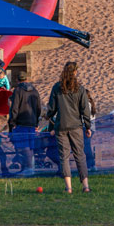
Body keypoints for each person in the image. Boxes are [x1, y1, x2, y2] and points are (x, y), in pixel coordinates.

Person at [46, 61, 92, 193]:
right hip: (76, 126)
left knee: (64, 157)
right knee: (80, 156)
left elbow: (52, 108)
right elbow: (85, 110)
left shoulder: (57, 87)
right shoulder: (80, 89)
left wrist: (48, 116)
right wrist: (87, 126)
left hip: (61, 126)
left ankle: (69, 187)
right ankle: (86, 186)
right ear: (75, 72)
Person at [8, 71, 41, 176]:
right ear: (27, 79)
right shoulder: (35, 91)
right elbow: (38, 108)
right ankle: (29, 168)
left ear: (18, 81)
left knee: (23, 146)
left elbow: (15, 108)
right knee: (29, 146)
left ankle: (28, 168)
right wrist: (36, 121)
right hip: (32, 122)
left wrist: (12, 121)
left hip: (21, 122)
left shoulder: (18, 90)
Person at [84, 89, 96, 171]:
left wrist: (87, 128)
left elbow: (86, 117)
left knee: (86, 147)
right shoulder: (90, 103)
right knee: (87, 146)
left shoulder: (87, 104)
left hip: (88, 127)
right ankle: (91, 165)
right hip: (91, 127)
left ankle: (90, 165)